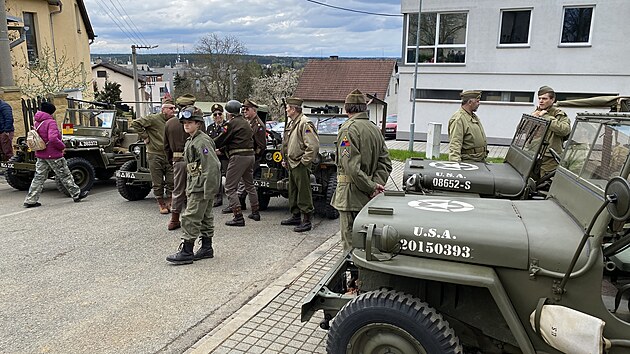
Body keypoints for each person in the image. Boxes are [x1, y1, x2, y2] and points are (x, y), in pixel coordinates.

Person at [331, 89, 392, 251]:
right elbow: (385, 162)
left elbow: (351, 167)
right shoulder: (374, 129)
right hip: (369, 196)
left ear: (346, 108)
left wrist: (371, 187)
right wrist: (376, 185)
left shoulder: (348, 130)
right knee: (367, 241)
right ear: (365, 108)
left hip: (351, 196)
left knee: (351, 243)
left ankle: (355, 275)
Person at [166, 106, 221, 265]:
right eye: (184, 122)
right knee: (205, 216)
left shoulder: (201, 141)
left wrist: (209, 189)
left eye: (190, 122)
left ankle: (187, 251)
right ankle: (206, 248)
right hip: (197, 184)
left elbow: (211, 165)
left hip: (200, 186)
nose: (186, 125)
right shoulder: (193, 139)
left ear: (199, 123)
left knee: (190, 216)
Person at [23, 102, 89, 207]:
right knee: (65, 175)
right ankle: (76, 194)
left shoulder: (37, 122)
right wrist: (62, 146)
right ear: (51, 112)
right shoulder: (50, 122)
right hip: (53, 154)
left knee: (38, 177)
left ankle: (30, 200)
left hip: (41, 154)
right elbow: (53, 138)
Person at [214, 100, 260, 226]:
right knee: (249, 184)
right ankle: (255, 211)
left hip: (238, 157)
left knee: (229, 187)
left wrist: (210, 143)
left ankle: (238, 216)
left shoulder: (231, 123)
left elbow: (222, 138)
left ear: (228, 113)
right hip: (250, 155)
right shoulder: (245, 123)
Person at [280, 97, 319, 232]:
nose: (286, 110)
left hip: (300, 163)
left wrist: (304, 162)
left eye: (288, 108)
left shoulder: (304, 123)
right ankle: (296, 216)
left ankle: (307, 220)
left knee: (303, 192)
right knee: (293, 191)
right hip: (292, 162)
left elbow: (312, 146)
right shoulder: (293, 123)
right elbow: (287, 143)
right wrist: (285, 157)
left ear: (294, 109)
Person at [131, 100, 176, 214]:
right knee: (157, 181)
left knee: (171, 180)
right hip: (155, 154)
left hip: (169, 154)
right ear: (163, 109)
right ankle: (161, 203)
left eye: (174, 108)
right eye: (170, 108)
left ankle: (170, 201)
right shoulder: (154, 119)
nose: (173, 111)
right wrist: (145, 136)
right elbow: (136, 123)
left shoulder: (173, 121)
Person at [531, 85, 571, 179]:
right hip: (534, 155)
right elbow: (521, 131)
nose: (541, 101)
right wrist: (532, 118)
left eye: (544, 98)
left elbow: (565, 130)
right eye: (539, 98)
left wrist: (546, 118)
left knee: (546, 185)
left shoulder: (558, 114)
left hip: (549, 159)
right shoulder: (537, 112)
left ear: (552, 100)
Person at [164, 98, 190, 230]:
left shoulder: (170, 123)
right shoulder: (195, 122)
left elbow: (166, 146)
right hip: (194, 160)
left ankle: (174, 219)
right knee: (196, 189)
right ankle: (196, 219)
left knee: (178, 190)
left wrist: (171, 160)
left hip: (177, 160)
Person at [237, 99, 266, 217]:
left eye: (247, 109)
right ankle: (241, 201)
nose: (244, 111)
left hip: (253, 156)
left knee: (245, 181)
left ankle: (240, 200)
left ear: (254, 110)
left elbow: (261, 145)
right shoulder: (249, 122)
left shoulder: (258, 125)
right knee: (244, 180)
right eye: (243, 109)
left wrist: (255, 155)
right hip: (247, 155)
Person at [448, 90, 488, 162]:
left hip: (478, 160)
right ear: (469, 102)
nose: (479, 104)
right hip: (468, 162)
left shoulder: (473, 116)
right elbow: (455, 144)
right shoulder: (459, 119)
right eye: (477, 101)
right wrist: (455, 165)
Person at [206, 103, 228, 207]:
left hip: (225, 156)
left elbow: (229, 141)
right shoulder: (210, 128)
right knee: (216, 177)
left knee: (229, 177)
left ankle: (233, 199)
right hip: (214, 156)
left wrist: (222, 150)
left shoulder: (227, 126)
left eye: (219, 114)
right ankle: (218, 198)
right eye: (215, 115)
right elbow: (208, 142)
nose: (218, 116)